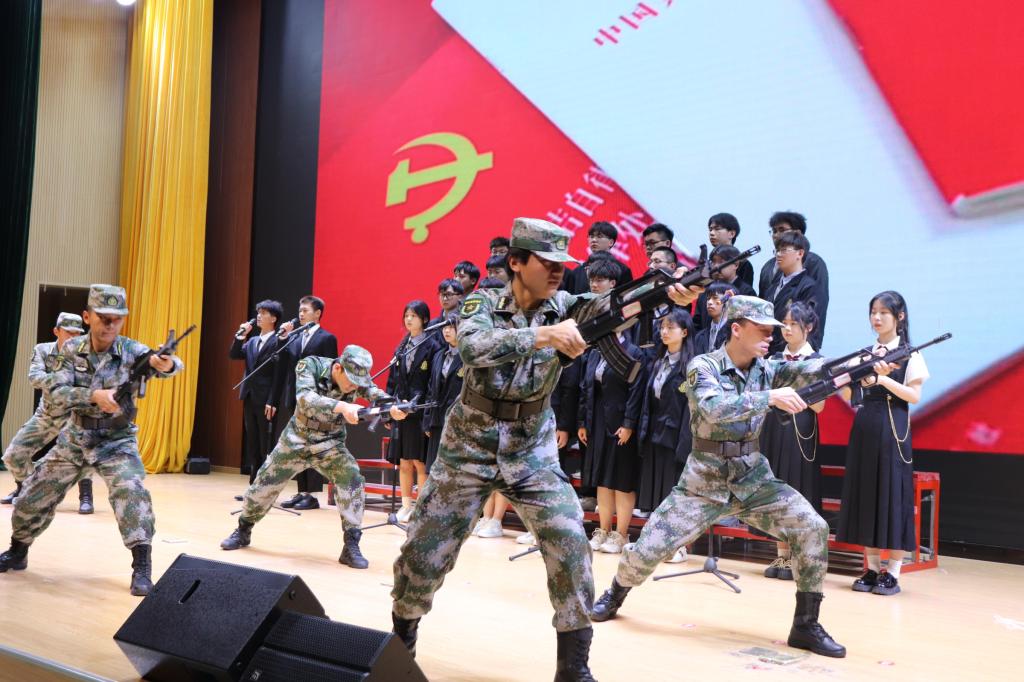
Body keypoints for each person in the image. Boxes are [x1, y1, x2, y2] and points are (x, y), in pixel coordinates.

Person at [390, 217, 701, 680]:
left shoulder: (570, 305)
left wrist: (668, 293)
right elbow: (473, 347)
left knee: (571, 543)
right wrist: (543, 335)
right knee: (423, 550)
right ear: (516, 262)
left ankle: (573, 666)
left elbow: (619, 303)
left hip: (531, 448)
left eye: (562, 263)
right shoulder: (481, 302)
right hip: (468, 445)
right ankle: (401, 640)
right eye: (547, 262)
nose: (558, 271)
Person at [591, 295, 850, 659]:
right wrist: (768, 398)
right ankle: (615, 593)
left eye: (772, 331)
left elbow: (818, 369)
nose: (770, 337)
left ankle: (806, 625)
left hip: (753, 480)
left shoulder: (768, 368)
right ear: (737, 329)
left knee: (813, 527)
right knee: (648, 550)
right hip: (702, 483)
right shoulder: (703, 366)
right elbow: (712, 408)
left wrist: (862, 365)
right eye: (762, 330)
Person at [0, 285, 183, 596]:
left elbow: (166, 365)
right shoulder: (71, 350)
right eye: (103, 317)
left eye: (116, 318)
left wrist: (166, 364)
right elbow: (56, 392)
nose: (109, 324)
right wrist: (93, 396)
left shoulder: (131, 349)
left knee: (131, 490)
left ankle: (142, 567)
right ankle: (18, 550)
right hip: (75, 438)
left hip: (116, 440)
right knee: (32, 493)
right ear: (87, 317)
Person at [221, 346, 407, 569]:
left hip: (330, 443)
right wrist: (343, 406)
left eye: (358, 382)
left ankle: (351, 545)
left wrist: (393, 407)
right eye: (351, 381)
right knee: (264, 482)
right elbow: (305, 399)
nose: (354, 387)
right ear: (338, 368)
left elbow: (375, 394)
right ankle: (243, 529)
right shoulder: (309, 365)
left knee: (351, 477)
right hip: (296, 439)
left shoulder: (356, 380)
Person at [836, 291, 928, 596]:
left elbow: (914, 396)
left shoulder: (910, 354)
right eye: (873, 312)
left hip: (894, 428)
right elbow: (848, 396)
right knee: (867, 493)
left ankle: (894, 572)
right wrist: (856, 381)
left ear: (899, 317)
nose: (876, 318)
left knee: (894, 494)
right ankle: (872, 568)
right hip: (866, 425)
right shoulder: (864, 354)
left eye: (883, 313)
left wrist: (883, 379)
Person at [578, 260, 648, 554]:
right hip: (597, 423)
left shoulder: (633, 352)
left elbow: (636, 392)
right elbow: (586, 388)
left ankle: (621, 534)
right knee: (601, 481)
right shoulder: (596, 350)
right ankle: (603, 530)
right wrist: (583, 422)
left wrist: (629, 423)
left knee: (621, 481)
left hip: (620, 425)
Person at [759, 302, 825, 581]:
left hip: (801, 429)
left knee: (799, 487)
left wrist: (794, 384)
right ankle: (781, 554)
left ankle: (800, 556)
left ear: (808, 327)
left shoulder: (817, 361)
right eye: (784, 324)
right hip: (775, 427)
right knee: (776, 487)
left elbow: (819, 406)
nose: (786, 329)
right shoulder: (774, 359)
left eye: (793, 324)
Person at [1, 313, 91, 513]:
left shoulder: (87, 355)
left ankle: (86, 496)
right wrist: (63, 380)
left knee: (83, 450)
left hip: (74, 416)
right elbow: (34, 377)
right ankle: (24, 490)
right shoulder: (43, 350)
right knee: (13, 455)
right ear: (56, 331)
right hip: (47, 414)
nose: (74, 337)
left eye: (77, 333)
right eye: (69, 332)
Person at [636, 310, 696, 564]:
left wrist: (685, 444)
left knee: (675, 494)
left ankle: (679, 546)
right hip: (656, 434)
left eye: (670, 328)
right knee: (656, 491)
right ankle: (658, 543)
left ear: (684, 332)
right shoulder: (658, 362)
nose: (664, 332)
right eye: (662, 327)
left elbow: (691, 410)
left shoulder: (692, 367)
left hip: (677, 438)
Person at [273, 295, 338, 510]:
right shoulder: (295, 337)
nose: (301, 314)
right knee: (299, 445)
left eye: (305, 310)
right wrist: (283, 338)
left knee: (313, 445)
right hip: (295, 397)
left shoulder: (327, 338)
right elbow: (283, 362)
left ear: (317, 313)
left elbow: (330, 370)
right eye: (300, 310)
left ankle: (313, 495)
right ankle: (301, 491)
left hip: (315, 399)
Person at [386, 300, 439, 522]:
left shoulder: (432, 346)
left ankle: (421, 508)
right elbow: (393, 380)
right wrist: (389, 408)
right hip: (400, 411)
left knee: (420, 462)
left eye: (413, 316)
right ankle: (405, 505)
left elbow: (432, 382)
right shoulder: (401, 346)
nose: (409, 319)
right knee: (404, 461)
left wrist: (421, 408)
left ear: (424, 319)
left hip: (419, 413)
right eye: (406, 315)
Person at [229, 300, 283, 489]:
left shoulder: (278, 341)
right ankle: (254, 486)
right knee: (252, 442)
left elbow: (278, 375)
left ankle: (266, 486)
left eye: (264, 313)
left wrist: (272, 400)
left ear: (274, 319)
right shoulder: (252, 341)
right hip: (249, 396)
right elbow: (234, 354)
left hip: (266, 399)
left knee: (265, 443)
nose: (259, 316)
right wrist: (240, 336)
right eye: (258, 312)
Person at [759, 212, 829, 348]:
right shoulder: (769, 268)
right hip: (769, 347)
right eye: (774, 231)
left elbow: (816, 311)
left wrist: (810, 347)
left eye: (782, 230)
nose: (776, 235)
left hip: (796, 347)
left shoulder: (814, 264)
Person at [766, 231, 823, 355]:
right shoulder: (772, 287)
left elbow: (809, 325)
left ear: (800, 253)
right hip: (769, 353)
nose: (778, 254)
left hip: (793, 354)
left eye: (784, 250)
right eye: (777, 250)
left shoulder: (809, 287)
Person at [692, 245, 755, 329]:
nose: (716, 266)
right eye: (713, 262)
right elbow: (697, 323)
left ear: (736, 265)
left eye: (721, 262)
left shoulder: (747, 292)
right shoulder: (705, 289)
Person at [562, 222, 633, 294]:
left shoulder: (623, 270)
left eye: (599, 236)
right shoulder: (576, 272)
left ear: (611, 242)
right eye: (591, 236)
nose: (594, 240)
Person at [707, 213, 754, 287]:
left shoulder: (743, 264)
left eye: (717, 229)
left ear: (732, 234)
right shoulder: (708, 263)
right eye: (710, 229)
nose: (711, 233)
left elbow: (745, 291)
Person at [693, 282, 737, 354]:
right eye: (708, 298)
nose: (709, 302)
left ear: (728, 300)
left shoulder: (735, 333)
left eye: (715, 298)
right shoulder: (700, 336)